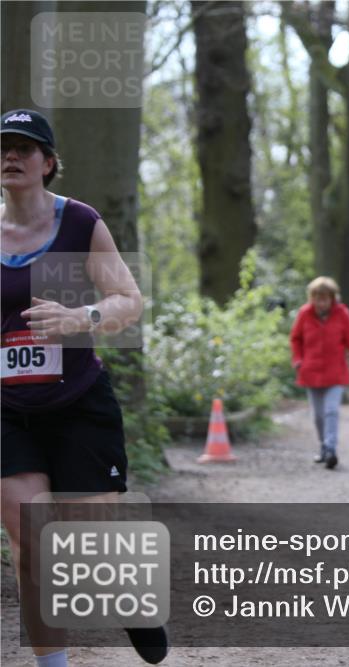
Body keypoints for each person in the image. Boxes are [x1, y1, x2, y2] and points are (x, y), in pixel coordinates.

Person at [0, 109, 168, 665]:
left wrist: (79, 318)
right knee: (30, 544)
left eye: (25, 148)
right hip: (8, 409)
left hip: (78, 404)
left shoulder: (80, 222)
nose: (12, 156)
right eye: (4, 146)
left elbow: (128, 301)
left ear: (48, 163)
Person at [290, 276, 349, 470]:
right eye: (317, 298)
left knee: (331, 411)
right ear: (311, 298)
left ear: (332, 298)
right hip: (310, 372)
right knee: (318, 415)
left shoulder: (342, 314)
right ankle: (323, 446)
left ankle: (330, 449)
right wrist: (297, 360)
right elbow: (295, 339)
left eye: (324, 298)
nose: (320, 303)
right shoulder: (304, 314)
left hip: (335, 373)